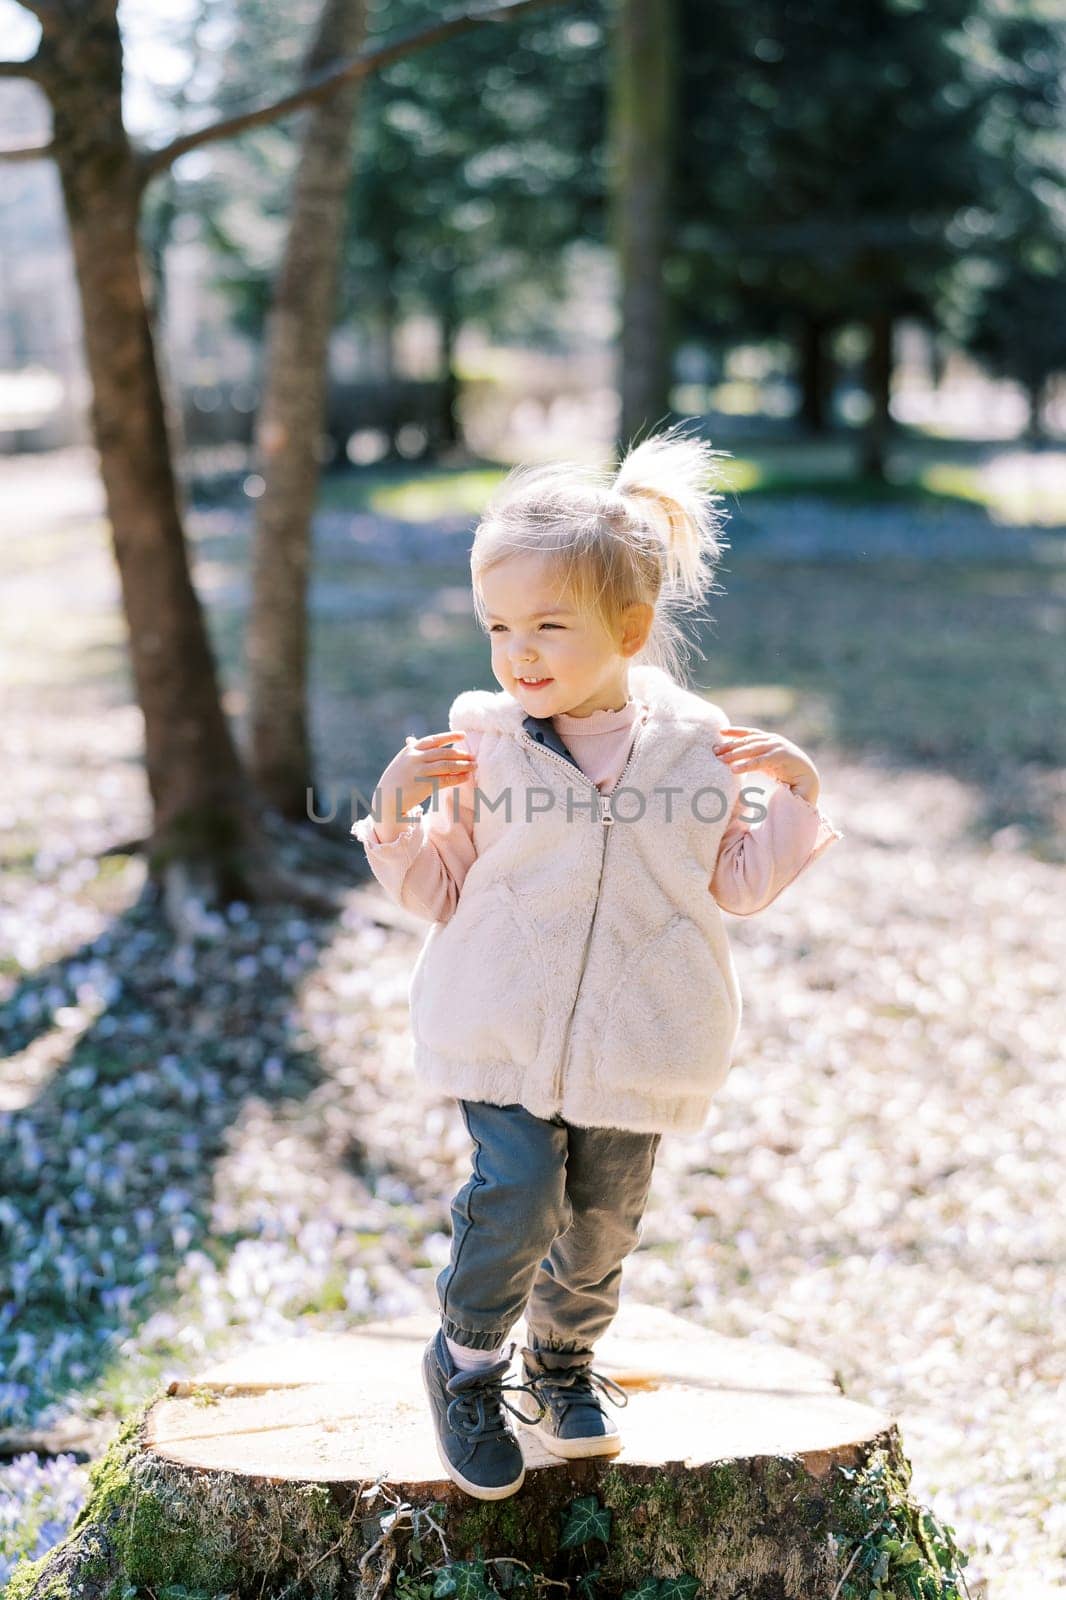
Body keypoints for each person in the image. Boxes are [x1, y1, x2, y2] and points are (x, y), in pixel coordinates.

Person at [352, 424, 843, 1501]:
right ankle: (467, 1361)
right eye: (497, 627)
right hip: (502, 1024)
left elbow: (738, 885)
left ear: (627, 627)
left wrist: (797, 793)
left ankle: (562, 1364)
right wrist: (393, 816)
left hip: (642, 1033)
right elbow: (440, 888)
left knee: (605, 1216)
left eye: (546, 626)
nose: (517, 652)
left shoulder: (696, 750)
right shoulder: (485, 744)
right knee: (518, 1190)